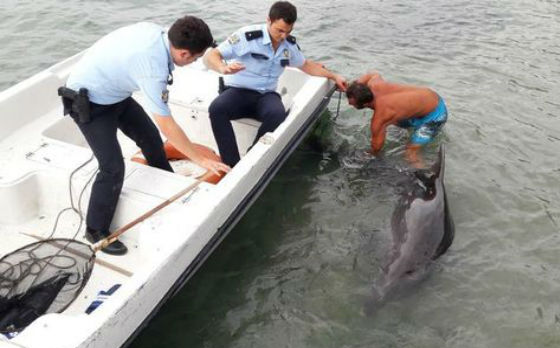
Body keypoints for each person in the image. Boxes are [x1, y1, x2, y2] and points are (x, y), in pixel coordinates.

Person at [62, 16, 231, 255]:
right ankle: (95, 230)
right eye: (194, 58)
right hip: (89, 102)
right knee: (112, 167)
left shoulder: (158, 32)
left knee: (151, 139)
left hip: (115, 94)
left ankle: (167, 183)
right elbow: (166, 123)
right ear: (183, 54)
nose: (194, 61)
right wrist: (200, 159)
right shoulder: (153, 69)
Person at [203, 1, 347, 167]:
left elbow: (306, 65)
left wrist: (334, 76)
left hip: (266, 95)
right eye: (279, 30)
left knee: (277, 114)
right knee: (216, 108)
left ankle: (252, 159)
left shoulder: (289, 45)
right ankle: (231, 164)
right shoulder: (247, 36)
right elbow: (213, 55)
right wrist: (223, 67)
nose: (283, 36)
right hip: (238, 92)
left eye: (288, 31)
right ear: (269, 21)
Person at [345, 72, 448, 167]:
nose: (349, 103)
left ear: (366, 104)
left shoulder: (380, 117)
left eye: (352, 103)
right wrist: (353, 86)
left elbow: (377, 148)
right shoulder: (374, 84)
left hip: (435, 115)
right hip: (428, 99)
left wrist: (368, 154)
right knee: (395, 120)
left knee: (409, 152)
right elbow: (373, 74)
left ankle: (426, 176)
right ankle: (409, 130)